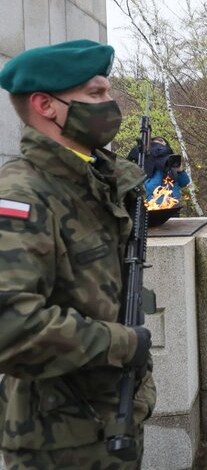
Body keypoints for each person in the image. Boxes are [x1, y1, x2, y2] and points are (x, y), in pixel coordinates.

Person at [0, 39, 155, 468]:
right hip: (58, 442)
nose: (110, 103)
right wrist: (122, 343)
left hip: (111, 420)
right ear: (45, 105)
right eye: (95, 93)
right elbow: (10, 325)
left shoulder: (93, 180)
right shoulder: (23, 195)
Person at [142, 137, 190, 205]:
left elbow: (184, 183)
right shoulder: (149, 165)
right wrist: (160, 169)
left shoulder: (171, 164)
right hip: (156, 205)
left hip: (174, 204)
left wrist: (180, 171)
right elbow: (150, 189)